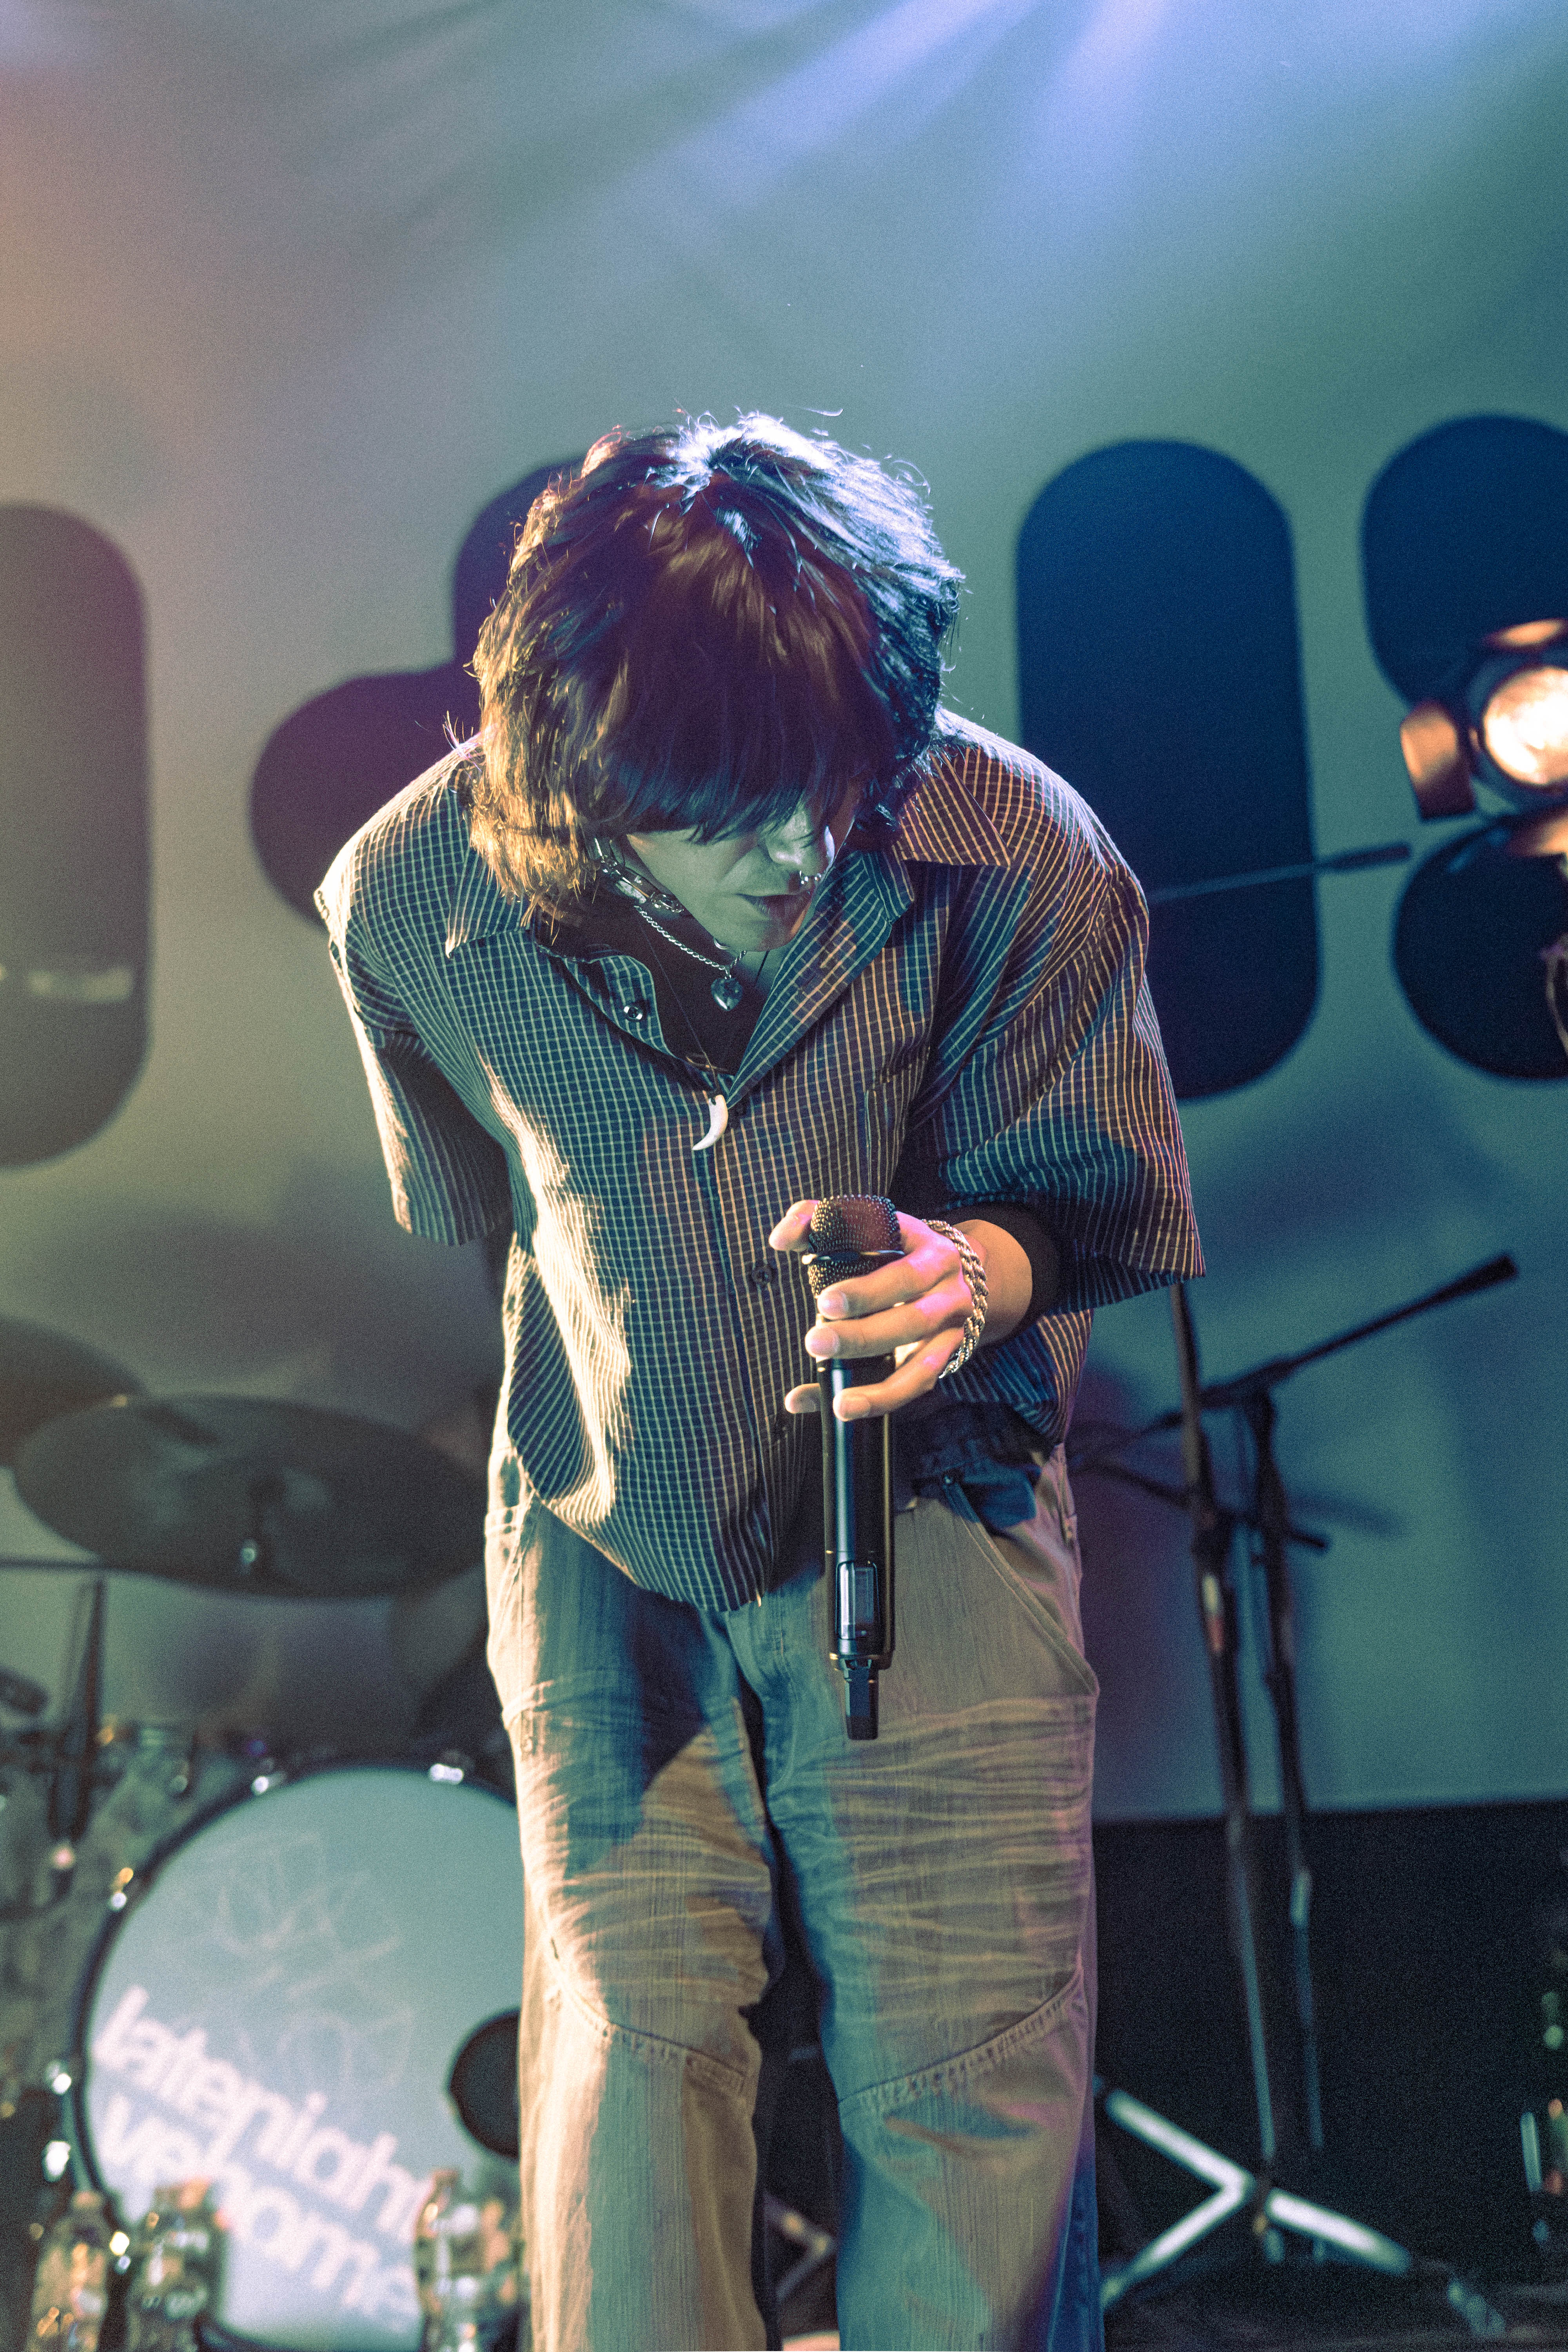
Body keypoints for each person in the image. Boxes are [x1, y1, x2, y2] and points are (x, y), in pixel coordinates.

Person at [317, 415, 1202, 2352]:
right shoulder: (407, 906)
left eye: (830, 789)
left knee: (965, 2097)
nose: (800, 856)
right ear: (579, 767)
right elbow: (488, 1216)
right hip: (597, 1517)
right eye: (726, 811)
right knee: (626, 2083)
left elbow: (1098, 1203)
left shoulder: (1021, 850)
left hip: (940, 1506)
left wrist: (979, 1270)